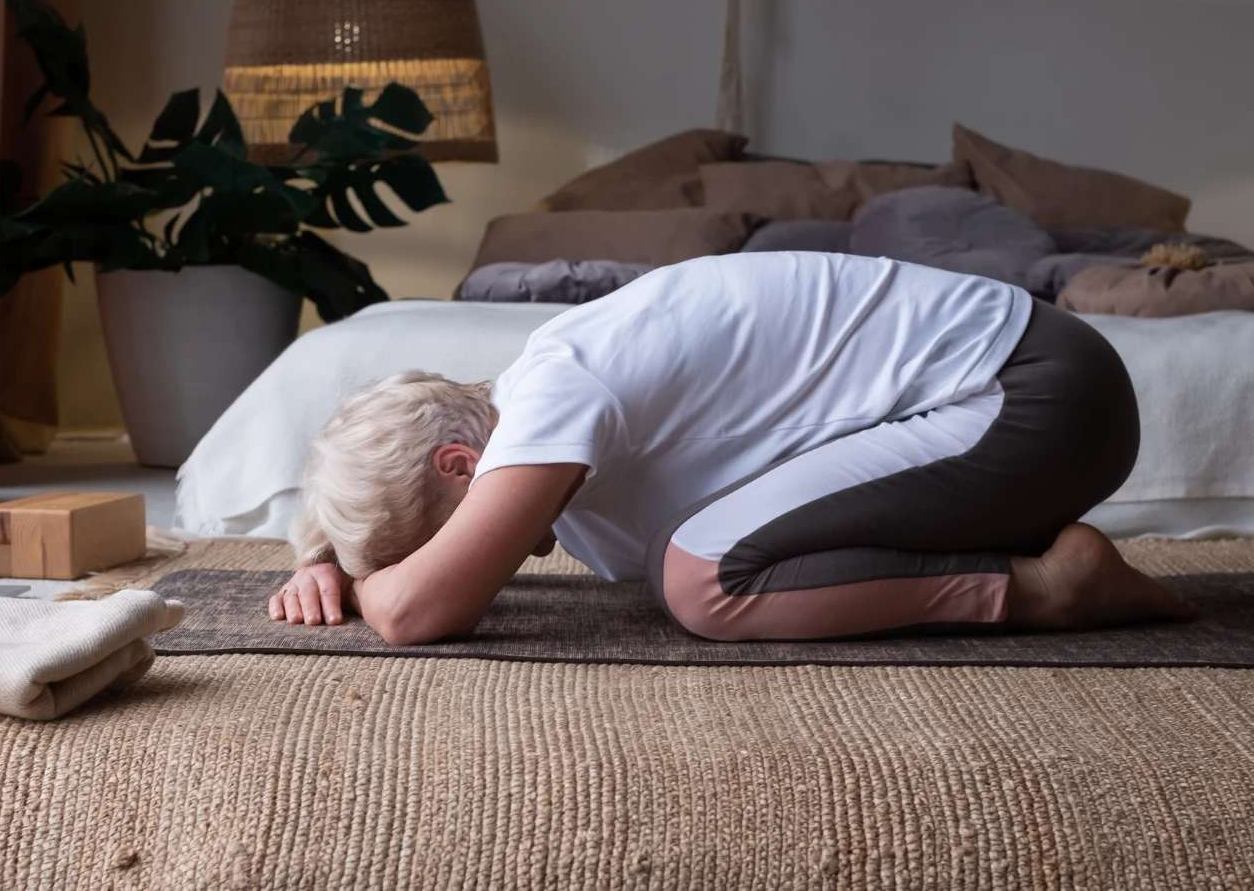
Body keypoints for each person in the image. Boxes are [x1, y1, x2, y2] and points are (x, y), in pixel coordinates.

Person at [269, 252, 1194, 645]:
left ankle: (1049, 590)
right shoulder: (542, 429)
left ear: (463, 469)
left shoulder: (553, 391)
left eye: (438, 534)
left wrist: (389, 586)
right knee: (719, 552)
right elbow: (411, 563)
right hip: (1008, 407)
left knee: (703, 576)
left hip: (1032, 392)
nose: (485, 560)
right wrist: (330, 561)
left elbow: (422, 612)